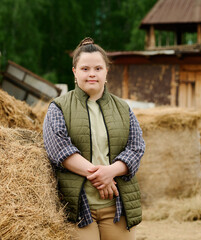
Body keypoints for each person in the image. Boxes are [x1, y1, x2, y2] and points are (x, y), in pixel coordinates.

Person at [43, 37, 145, 240]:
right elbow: (60, 150)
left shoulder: (123, 108)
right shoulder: (58, 107)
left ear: (106, 71)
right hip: (77, 208)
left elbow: (136, 148)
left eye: (98, 68)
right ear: (74, 72)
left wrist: (111, 171)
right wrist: (101, 177)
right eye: (85, 69)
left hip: (117, 207)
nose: (92, 74)